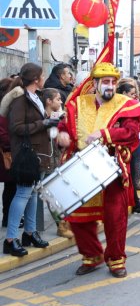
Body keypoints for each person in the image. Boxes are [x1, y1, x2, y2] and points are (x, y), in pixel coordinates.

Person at [56, 62, 140, 277]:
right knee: (78, 218)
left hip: (112, 167)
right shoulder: (77, 104)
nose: (110, 86)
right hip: (81, 166)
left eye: (113, 82)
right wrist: (61, 135)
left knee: (116, 218)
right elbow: (64, 126)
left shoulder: (126, 105)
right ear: (95, 83)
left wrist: (105, 134)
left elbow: (131, 133)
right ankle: (91, 255)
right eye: (105, 82)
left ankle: (116, 260)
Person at [3, 63, 51, 257]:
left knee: (32, 194)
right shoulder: (20, 100)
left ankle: (29, 234)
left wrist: (50, 120)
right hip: (26, 154)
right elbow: (16, 127)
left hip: (37, 153)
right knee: (23, 194)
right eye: (42, 76)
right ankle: (10, 239)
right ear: (36, 79)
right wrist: (43, 123)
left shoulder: (35, 97)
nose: (44, 78)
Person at [40, 88, 74, 238]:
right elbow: (51, 136)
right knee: (50, 193)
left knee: (61, 192)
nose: (61, 102)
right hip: (47, 159)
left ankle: (66, 222)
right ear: (49, 101)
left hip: (57, 159)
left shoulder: (57, 116)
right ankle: (60, 224)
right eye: (58, 99)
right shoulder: (44, 117)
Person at [116, 80, 140, 214]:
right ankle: (133, 203)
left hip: (133, 143)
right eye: (132, 93)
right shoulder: (115, 106)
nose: (135, 96)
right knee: (126, 176)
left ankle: (134, 202)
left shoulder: (135, 105)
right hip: (121, 146)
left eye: (136, 93)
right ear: (124, 93)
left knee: (130, 176)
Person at [0, 77, 16, 228]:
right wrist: (10, 148)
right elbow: (3, 134)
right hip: (6, 153)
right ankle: (7, 218)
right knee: (11, 187)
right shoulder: (4, 109)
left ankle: (8, 217)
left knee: (10, 187)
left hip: (6, 152)